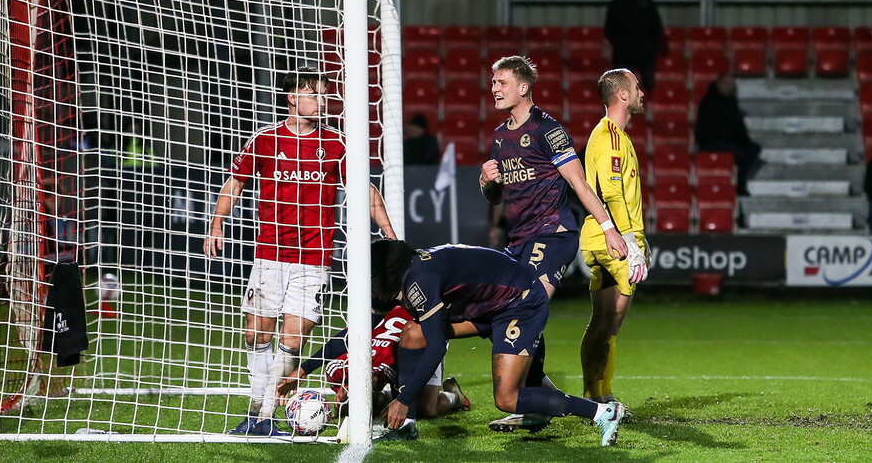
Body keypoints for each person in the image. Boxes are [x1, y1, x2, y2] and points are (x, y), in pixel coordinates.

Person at [203, 66, 397, 436]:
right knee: (256, 335)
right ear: (292, 98)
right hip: (269, 255)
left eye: (324, 95)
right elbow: (236, 182)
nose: (322, 102)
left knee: (293, 339)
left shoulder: (337, 144)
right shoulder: (265, 139)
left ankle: (263, 414)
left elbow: (365, 189)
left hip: (314, 259)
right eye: (314, 95)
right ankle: (258, 411)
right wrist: (216, 223)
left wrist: (390, 233)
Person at [478, 55, 628, 432]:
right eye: (493, 83)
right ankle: (538, 397)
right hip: (518, 241)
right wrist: (486, 183)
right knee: (513, 313)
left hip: (551, 235)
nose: (494, 89)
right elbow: (497, 197)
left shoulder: (548, 129)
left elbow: (579, 183)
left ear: (523, 87)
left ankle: (540, 401)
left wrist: (608, 228)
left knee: (523, 307)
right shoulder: (499, 137)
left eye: (501, 82)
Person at [371, 239, 625, 447]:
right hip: (487, 307)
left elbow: (437, 346)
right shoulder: (412, 271)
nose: (368, 285)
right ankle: (406, 427)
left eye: (370, 277)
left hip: (519, 303)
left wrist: (404, 399)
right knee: (413, 333)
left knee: (507, 398)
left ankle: (602, 412)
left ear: (386, 274)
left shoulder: (419, 281)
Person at [579, 68, 651, 412]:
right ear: (622, 94)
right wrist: (630, 241)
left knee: (602, 323)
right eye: (636, 87)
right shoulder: (609, 137)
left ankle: (595, 396)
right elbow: (610, 192)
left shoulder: (614, 136)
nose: (642, 93)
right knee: (610, 324)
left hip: (606, 237)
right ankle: (601, 396)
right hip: (612, 241)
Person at [276, 304, 470, 422]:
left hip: (423, 341)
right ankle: (378, 401)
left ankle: (454, 396)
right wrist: (304, 370)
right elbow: (345, 338)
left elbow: (404, 398)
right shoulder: (337, 370)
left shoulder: (391, 365)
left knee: (425, 410)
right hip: (397, 328)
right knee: (353, 410)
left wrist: (401, 402)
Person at [695, 73, 763, 195]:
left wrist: (745, 143)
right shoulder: (708, 102)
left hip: (731, 142)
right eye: (726, 84)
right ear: (718, 84)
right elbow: (710, 129)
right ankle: (739, 185)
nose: (729, 87)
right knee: (742, 154)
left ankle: (740, 182)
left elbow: (739, 129)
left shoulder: (731, 103)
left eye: (732, 84)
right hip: (712, 142)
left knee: (754, 149)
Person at [604, 0, 666, 93]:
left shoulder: (646, 2)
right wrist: (618, 44)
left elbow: (656, 26)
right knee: (623, 87)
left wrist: (652, 46)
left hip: (645, 53)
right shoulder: (617, 4)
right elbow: (609, 28)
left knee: (649, 83)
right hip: (623, 53)